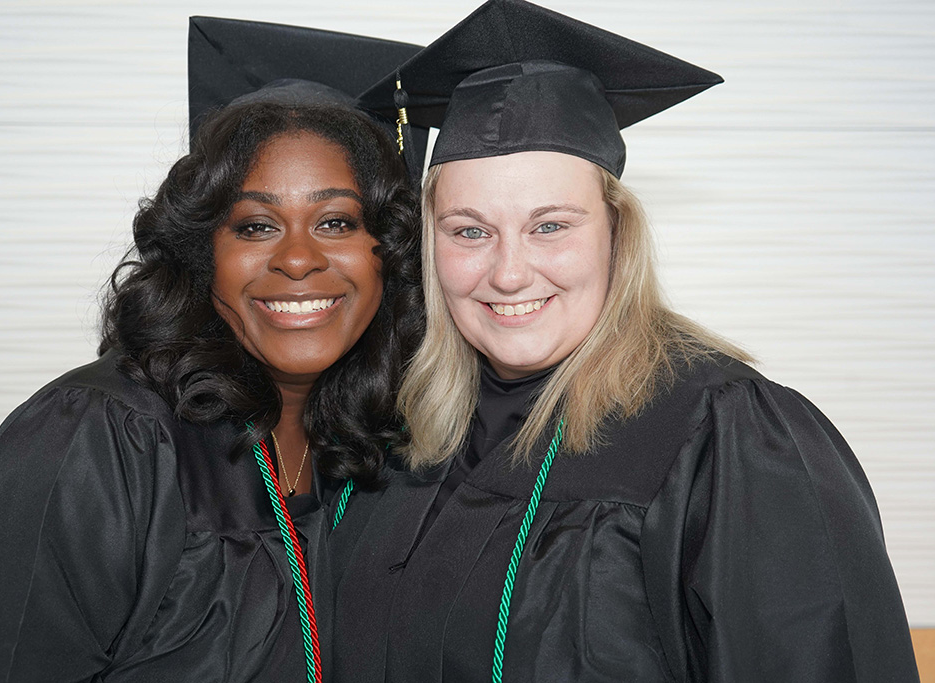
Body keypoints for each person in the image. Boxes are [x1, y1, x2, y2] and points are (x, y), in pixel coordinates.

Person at [331, 1, 920, 681]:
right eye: (469, 230)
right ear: (430, 246)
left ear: (616, 231)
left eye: (550, 225)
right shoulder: (398, 434)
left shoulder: (730, 439)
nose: (509, 270)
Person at [0, 17, 422, 683]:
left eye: (336, 222)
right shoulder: (101, 439)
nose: (299, 257)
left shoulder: (366, 446)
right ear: (202, 251)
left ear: (388, 253)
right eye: (256, 224)